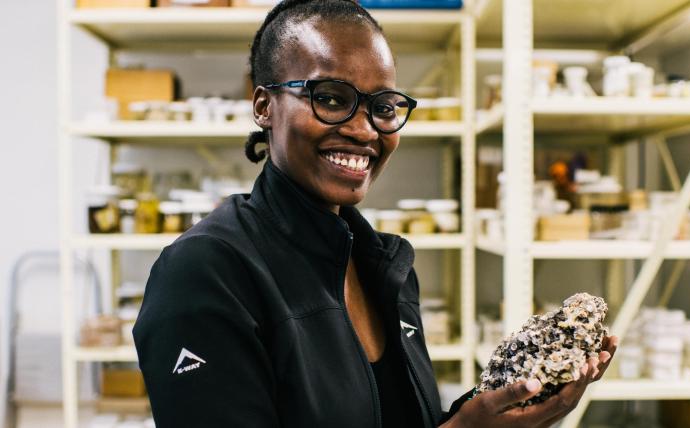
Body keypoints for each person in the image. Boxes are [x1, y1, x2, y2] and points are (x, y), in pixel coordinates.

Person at [133, 1, 618, 427]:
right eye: (329, 98)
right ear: (264, 105)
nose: (365, 131)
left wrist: (507, 407)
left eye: (383, 106)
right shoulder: (204, 273)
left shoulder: (385, 267)